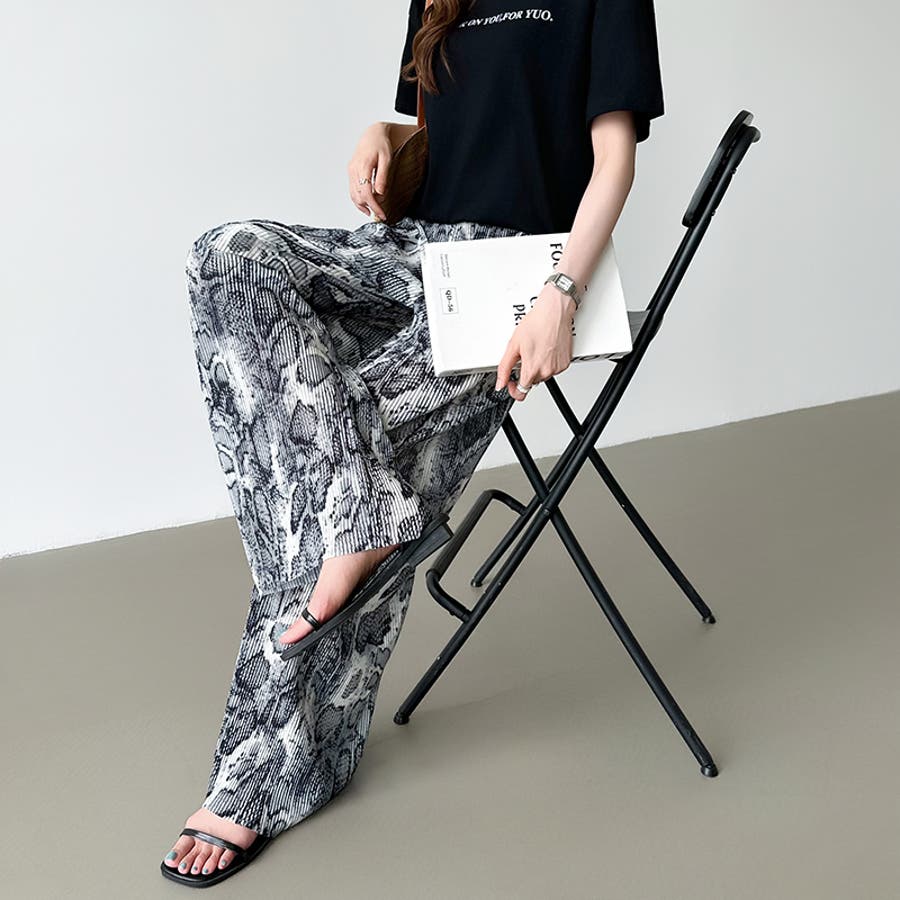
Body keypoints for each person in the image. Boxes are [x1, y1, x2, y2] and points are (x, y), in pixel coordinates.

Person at [161, 0, 664, 887]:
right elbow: (449, 135)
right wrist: (385, 135)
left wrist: (560, 294)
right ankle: (359, 516)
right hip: (412, 256)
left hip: (511, 278)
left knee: (316, 457)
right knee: (226, 255)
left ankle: (251, 780)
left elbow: (612, 160)